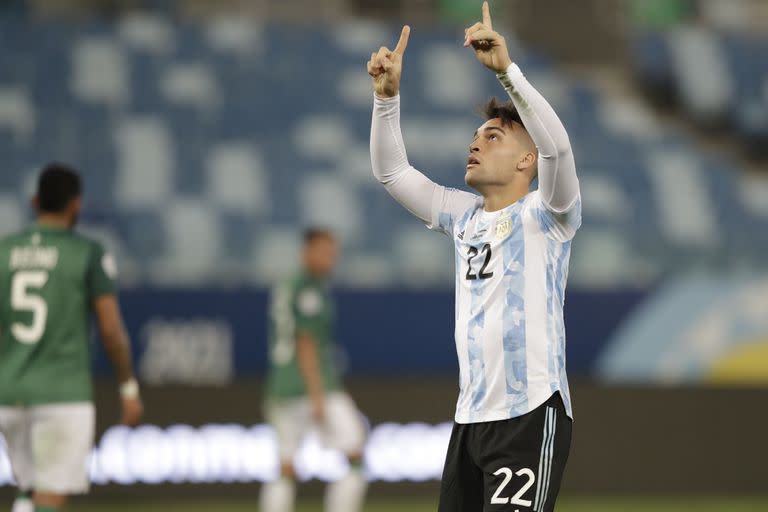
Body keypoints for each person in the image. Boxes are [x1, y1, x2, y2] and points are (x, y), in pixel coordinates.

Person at [367, 2, 581, 511]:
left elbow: (560, 150)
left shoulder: (549, 214)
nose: (475, 145)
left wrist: (508, 73)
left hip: (529, 413)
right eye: (475, 137)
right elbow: (393, 174)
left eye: (492, 136)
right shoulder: (463, 217)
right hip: (469, 422)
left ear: (527, 160)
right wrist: (386, 100)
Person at [0, 164, 143, 512]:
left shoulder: (4, 251)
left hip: (9, 393)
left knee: (29, 488)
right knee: (49, 495)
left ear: (35, 201)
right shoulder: (87, 253)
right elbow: (110, 329)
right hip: (61, 395)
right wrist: (127, 386)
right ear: (76, 204)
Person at [259, 228, 367, 512]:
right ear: (306, 252)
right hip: (310, 385)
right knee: (355, 451)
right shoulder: (309, 288)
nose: (330, 259)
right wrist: (316, 393)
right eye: (324, 252)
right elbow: (305, 343)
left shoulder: (287, 285)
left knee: (285, 466)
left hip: (280, 388)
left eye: (333, 253)